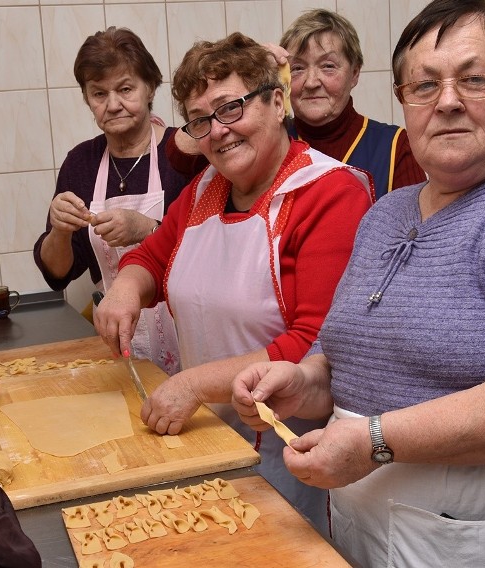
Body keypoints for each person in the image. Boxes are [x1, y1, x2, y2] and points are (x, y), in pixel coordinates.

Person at [231, 1, 485, 566]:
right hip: (371, 523)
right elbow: (344, 358)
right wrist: (302, 381)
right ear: (403, 99)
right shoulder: (385, 214)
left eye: (475, 79)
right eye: (424, 84)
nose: (447, 101)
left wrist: (376, 442)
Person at [94, 32, 372, 533]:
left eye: (231, 108)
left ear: (276, 101)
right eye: (201, 120)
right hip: (208, 440)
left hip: (292, 451)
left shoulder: (328, 193)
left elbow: (316, 343)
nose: (218, 132)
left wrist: (196, 385)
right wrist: (125, 289)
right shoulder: (207, 188)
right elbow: (153, 259)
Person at [34, 27, 189, 375]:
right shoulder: (81, 163)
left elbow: (216, 249)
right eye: (99, 93)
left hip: (192, 342)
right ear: (87, 99)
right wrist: (59, 231)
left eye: (125, 89)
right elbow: (57, 274)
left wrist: (149, 229)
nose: (113, 104)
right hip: (119, 346)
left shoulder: (183, 151)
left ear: (150, 87)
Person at [166, 9, 427, 202]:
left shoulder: (394, 146)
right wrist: (255, 75)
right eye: (298, 68)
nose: (312, 82)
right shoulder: (266, 137)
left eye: (328, 66)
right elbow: (178, 157)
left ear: (355, 73)